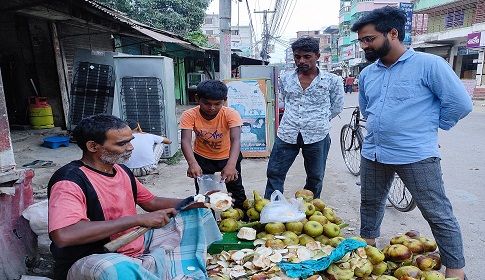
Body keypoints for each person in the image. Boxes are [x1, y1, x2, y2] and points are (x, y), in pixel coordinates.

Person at [350, 6, 472, 280]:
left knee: (438, 213)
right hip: (374, 153)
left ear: (393, 33)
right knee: (370, 204)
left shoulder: (430, 65)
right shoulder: (369, 73)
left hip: (415, 154)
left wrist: (430, 127)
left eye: (369, 39)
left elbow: (460, 104)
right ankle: (366, 257)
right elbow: (367, 109)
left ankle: (456, 271)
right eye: (361, 41)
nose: (364, 45)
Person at [47, 114, 221, 280]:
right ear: (93, 146)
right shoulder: (69, 181)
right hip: (95, 258)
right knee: (116, 268)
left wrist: (200, 200)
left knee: (198, 213)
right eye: (122, 144)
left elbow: (151, 202)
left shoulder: (120, 170)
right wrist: (137, 220)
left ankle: (148, 266)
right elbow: (64, 235)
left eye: (130, 142)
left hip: (133, 244)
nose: (130, 148)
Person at [264, 37, 344, 199]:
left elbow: (336, 107)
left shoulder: (332, 81)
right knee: (274, 173)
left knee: (315, 177)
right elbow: (285, 100)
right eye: (297, 57)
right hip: (287, 133)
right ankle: (272, 209)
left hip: (317, 135)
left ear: (317, 56)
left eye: (307, 56)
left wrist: (318, 120)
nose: (301, 61)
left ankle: (309, 211)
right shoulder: (286, 78)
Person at [179, 80, 247, 211]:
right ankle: (207, 218)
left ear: (224, 100)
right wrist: (192, 163)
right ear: (197, 98)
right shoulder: (189, 115)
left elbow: (236, 140)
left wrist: (231, 165)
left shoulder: (230, 114)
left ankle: (242, 216)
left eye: (217, 104)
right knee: (204, 192)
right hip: (202, 157)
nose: (212, 108)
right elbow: (185, 141)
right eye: (207, 103)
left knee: (235, 188)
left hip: (228, 156)